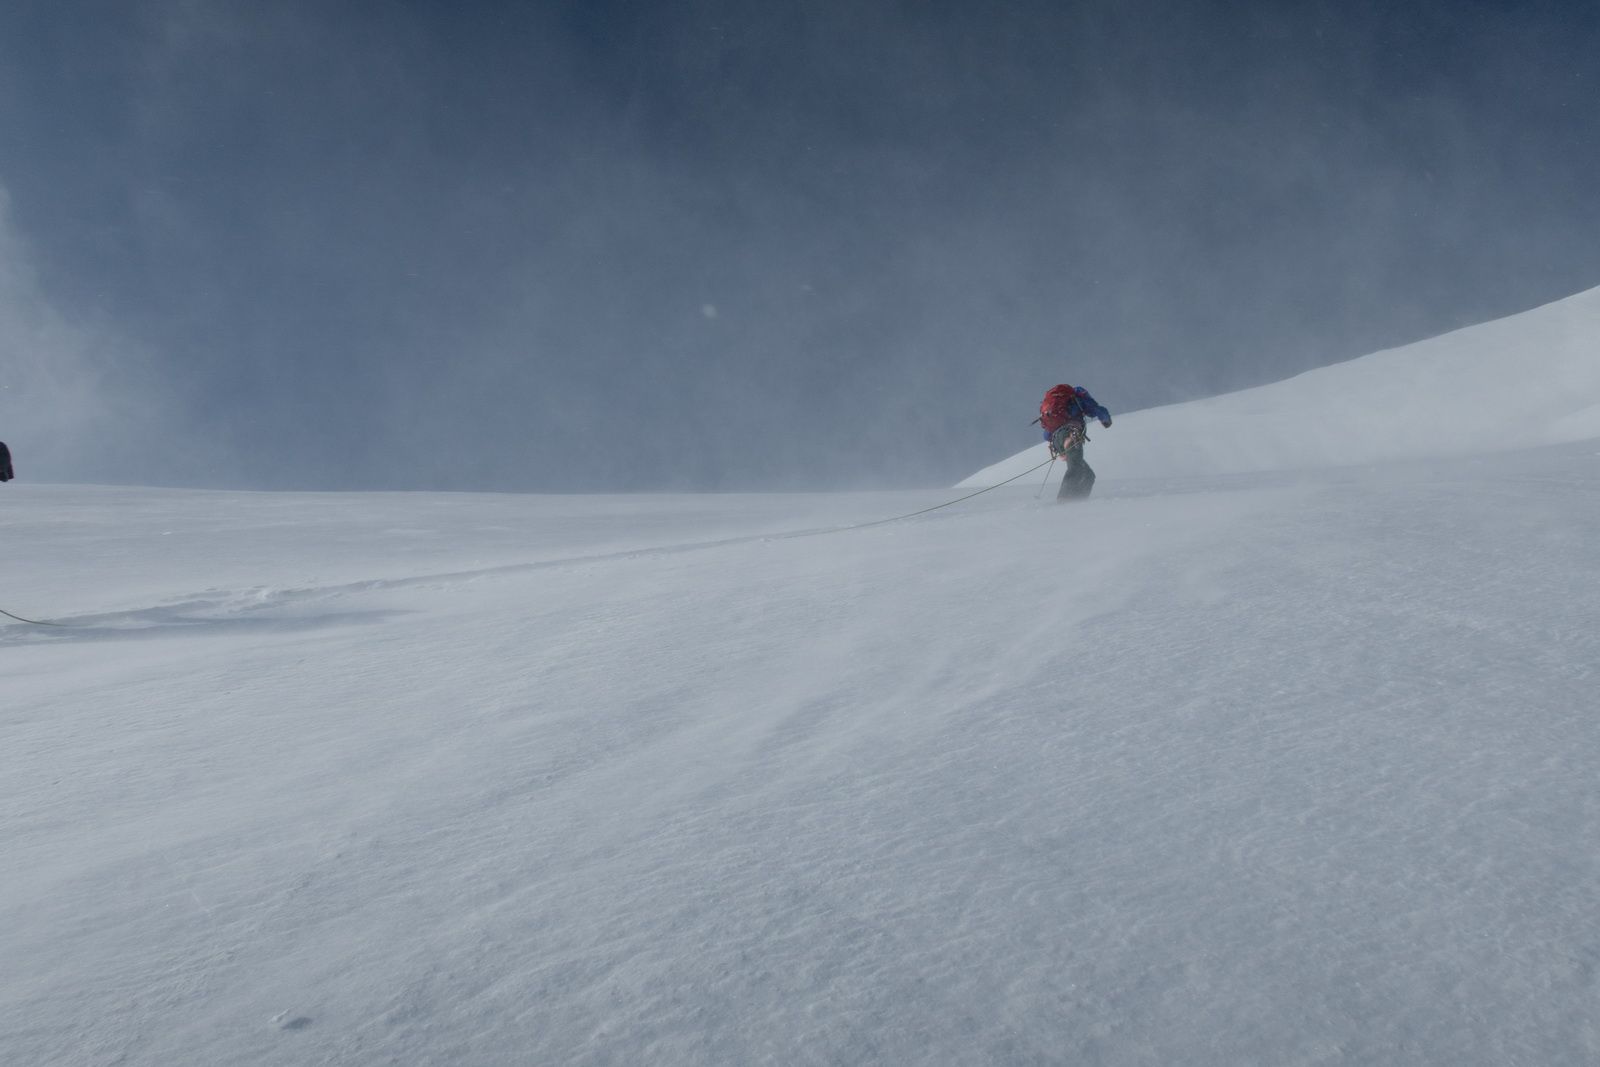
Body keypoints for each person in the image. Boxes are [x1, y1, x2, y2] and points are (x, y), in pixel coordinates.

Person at [1037, 384, 1111, 501]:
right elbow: (1096, 409)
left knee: (1088, 475)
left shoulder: (1056, 406)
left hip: (1057, 440)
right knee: (1076, 468)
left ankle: (1078, 501)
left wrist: (1059, 444)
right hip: (1071, 433)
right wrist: (1106, 420)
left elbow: (1046, 435)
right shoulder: (1078, 398)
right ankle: (1064, 501)